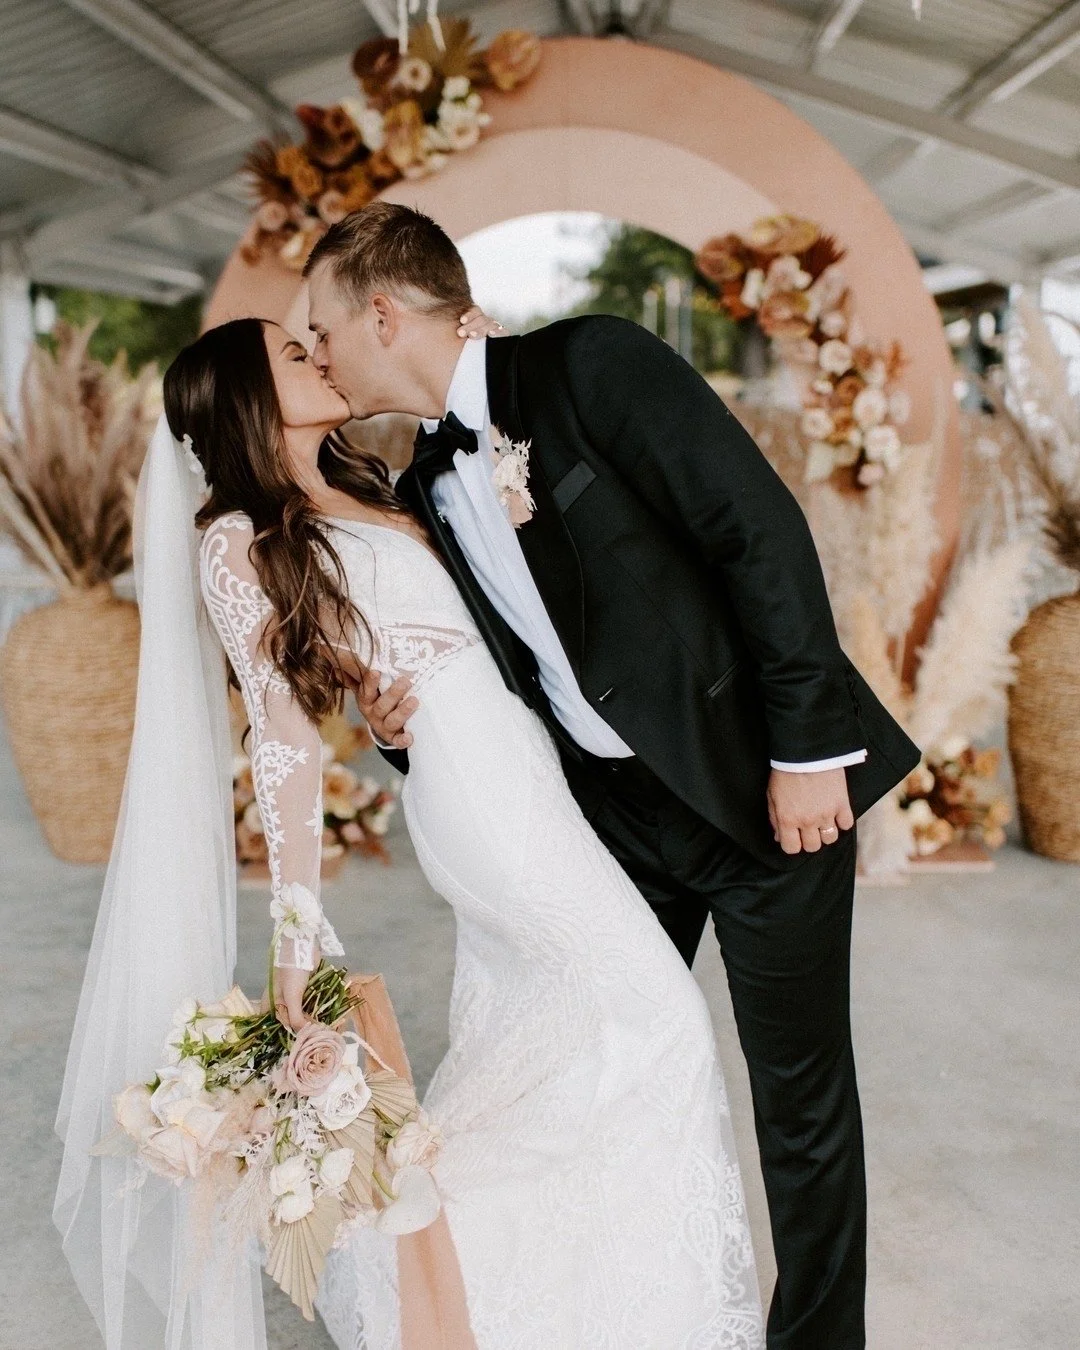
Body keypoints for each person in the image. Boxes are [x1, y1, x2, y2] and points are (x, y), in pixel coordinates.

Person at [301, 202, 923, 1350]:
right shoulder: (427, 477)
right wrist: (401, 728)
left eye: (323, 330)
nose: (319, 357)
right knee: (599, 1053)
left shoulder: (591, 363)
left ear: (381, 311)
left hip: (758, 794)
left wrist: (804, 755)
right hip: (615, 818)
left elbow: (760, 533)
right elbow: (501, 664)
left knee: (800, 1103)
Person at [180, 315, 763, 1348]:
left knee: (549, 1047)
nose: (316, 351)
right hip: (479, 802)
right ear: (246, 400)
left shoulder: (372, 482)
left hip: (528, 771)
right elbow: (283, 730)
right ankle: (577, 1305)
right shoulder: (237, 536)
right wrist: (295, 924)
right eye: (289, 351)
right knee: (660, 1014)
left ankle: (494, 1300)